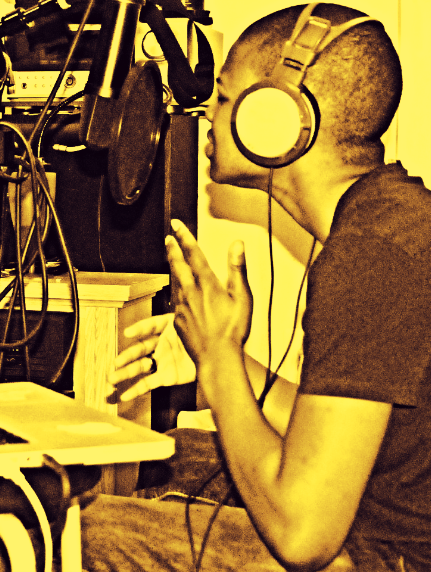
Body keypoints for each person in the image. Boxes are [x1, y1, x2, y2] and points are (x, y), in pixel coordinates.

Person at [79, 3, 431, 572]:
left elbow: (302, 536)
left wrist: (221, 360)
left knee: (76, 531)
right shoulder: (389, 219)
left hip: (394, 557)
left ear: (276, 116)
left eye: (222, 96)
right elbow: (350, 430)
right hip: (382, 526)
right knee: (177, 456)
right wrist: (216, 364)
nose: (207, 113)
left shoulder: (371, 256)